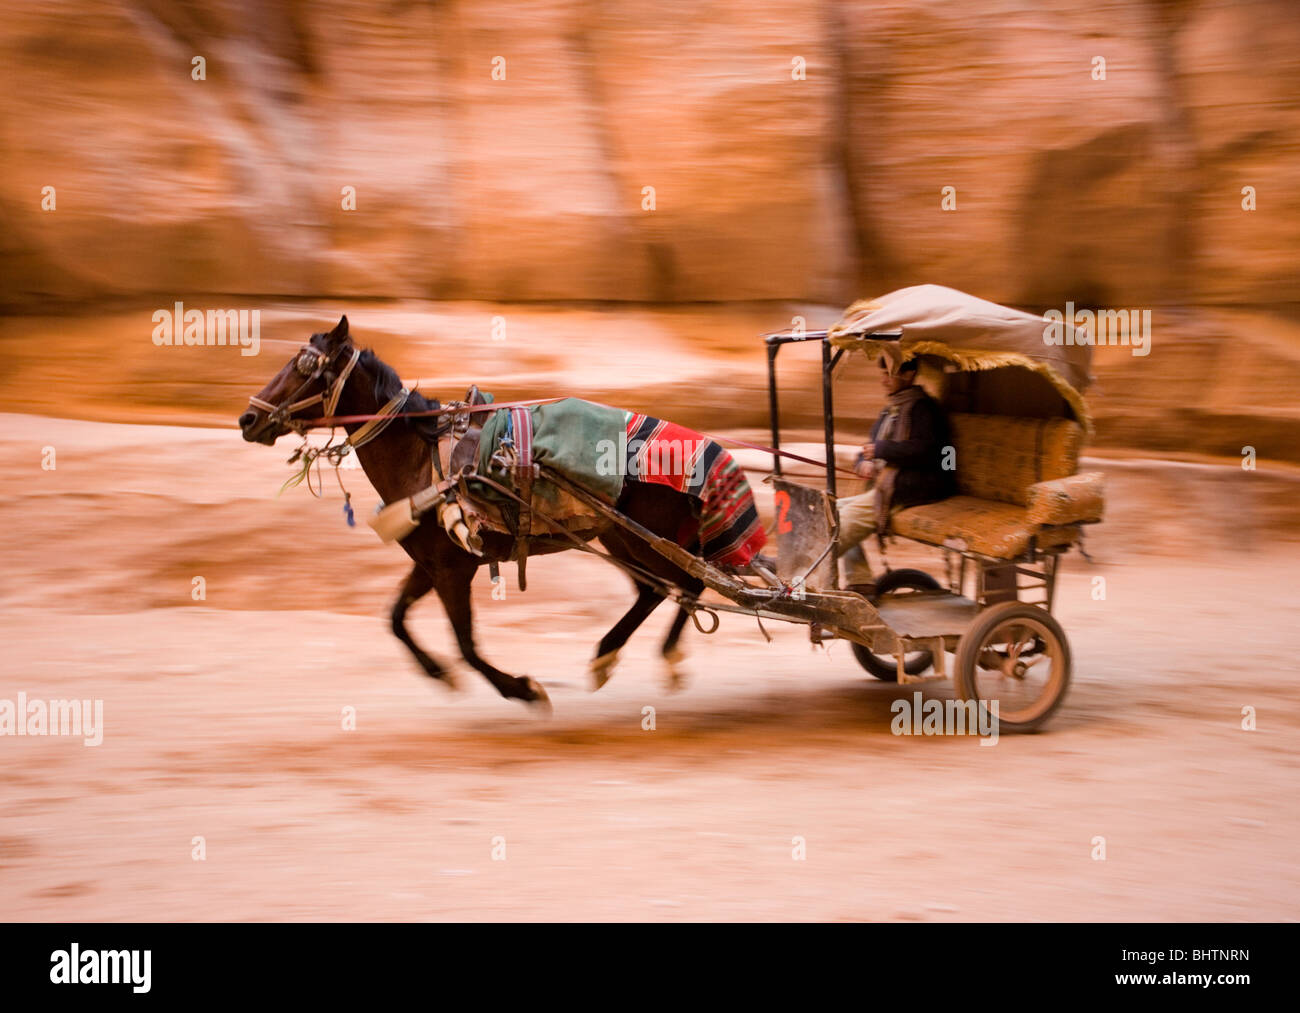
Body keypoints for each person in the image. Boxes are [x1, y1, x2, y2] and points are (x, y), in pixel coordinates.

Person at [837, 356, 954, 595]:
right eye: (883, 374)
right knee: (833, 511)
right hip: (893, 482)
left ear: (909, 375)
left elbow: (929, 451)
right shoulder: (892, 408)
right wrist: (865, 461)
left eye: (889, 374)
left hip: (918, 485)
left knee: (842, 522)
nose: (883, 380)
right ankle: (860, 580)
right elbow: (872, 446)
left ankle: (801, 572)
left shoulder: (924, 409)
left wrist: (882, 451)